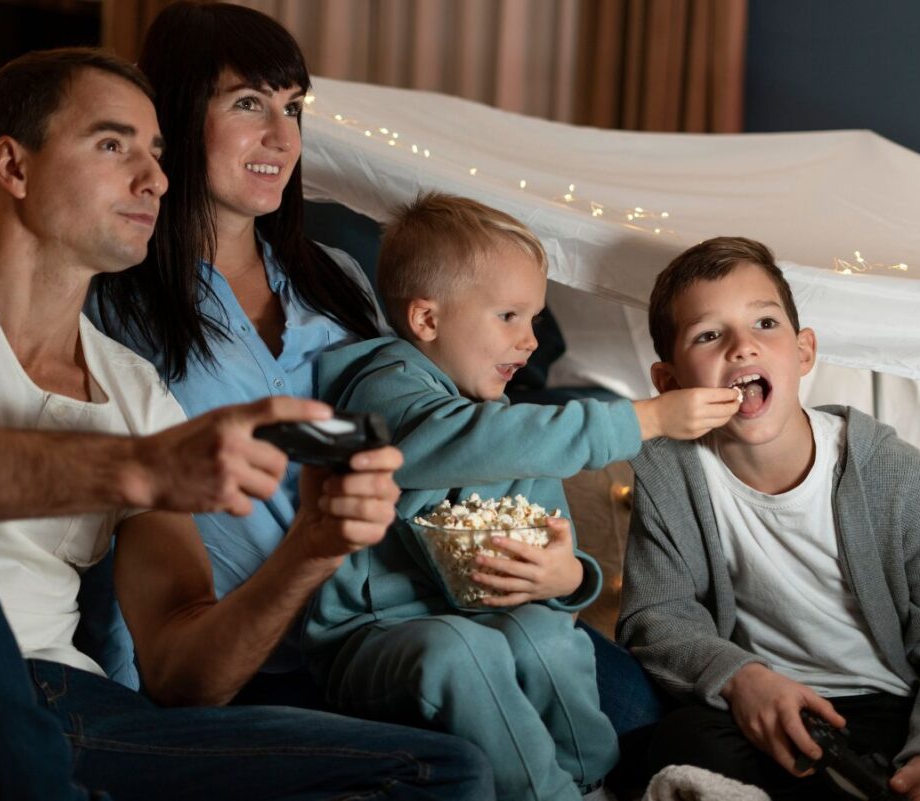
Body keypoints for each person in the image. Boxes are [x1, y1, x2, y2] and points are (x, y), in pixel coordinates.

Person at [0, 48, 494, 800]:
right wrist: (136, 467)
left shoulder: (136, 390)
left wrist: (310, 546)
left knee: (443, 772)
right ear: (14, 166)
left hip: (76, 708)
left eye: (158, 153)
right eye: (113, 145)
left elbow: (180, 670)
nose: (156, 180)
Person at [301, 193, 742, 801]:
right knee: (464, 648)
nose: (530, 341)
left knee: (541, 632)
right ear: (427, 320)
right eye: (509, 316)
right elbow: (448, 443)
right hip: (371, 639)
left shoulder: (510, 427)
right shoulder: (385, 388)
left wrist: (568, 578)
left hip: (485, 618)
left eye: (535, 319)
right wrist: (640, 419)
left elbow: (551, 538)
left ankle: (598, 781)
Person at [85, 0, 390, 701]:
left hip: (389, 623)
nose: (283, 136)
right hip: (239, 650)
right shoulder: (113, 301)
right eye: (250, 103)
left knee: (619, 694)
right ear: (176, 115)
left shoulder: (336, 276)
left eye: (294, 108)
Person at [617, 236, 920, 801]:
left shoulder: (896, 475)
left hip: (891, 707)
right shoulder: (667, 469)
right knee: (680, 740)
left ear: (803, 352)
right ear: (670, 383)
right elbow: (656, 615)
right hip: (760, 704)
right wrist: (742, 679)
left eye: (765, 324)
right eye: (709, 334)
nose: (743, 348)